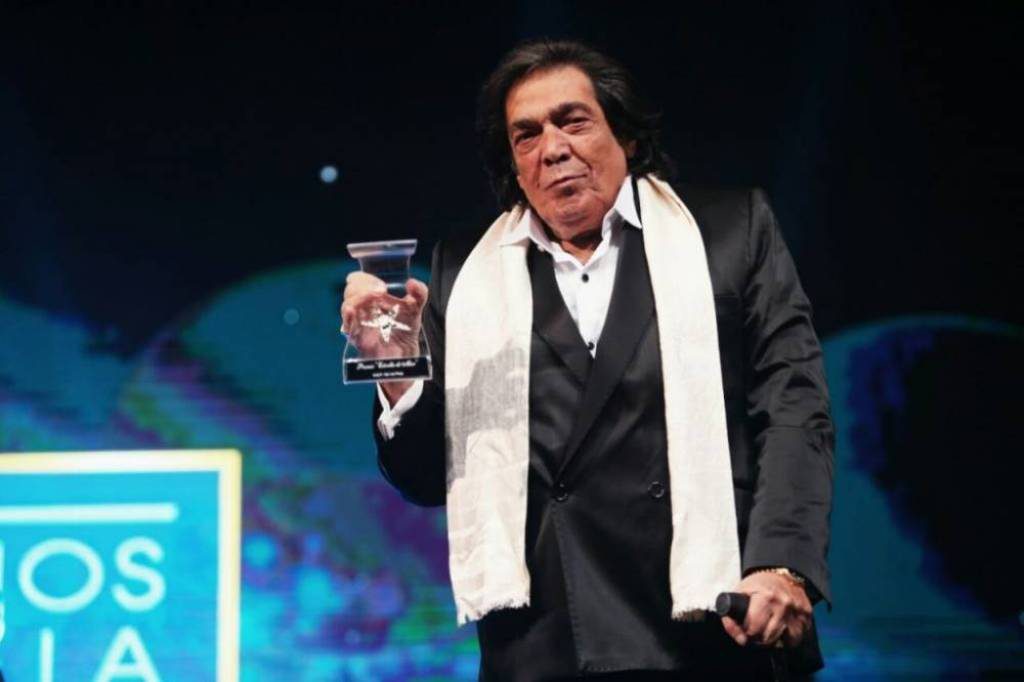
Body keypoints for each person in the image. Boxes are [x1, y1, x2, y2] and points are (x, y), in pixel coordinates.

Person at [342, 40, 834, 681]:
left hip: (714, 627)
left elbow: (795, 410)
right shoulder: (464, 272)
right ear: (514, 166)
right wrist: (398, 371)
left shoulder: (729, 232)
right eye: (526, 136)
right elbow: (427, 478)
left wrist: (782, 565)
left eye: (573, 121)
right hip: (545, 643)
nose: (552, 149)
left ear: (624, 135)